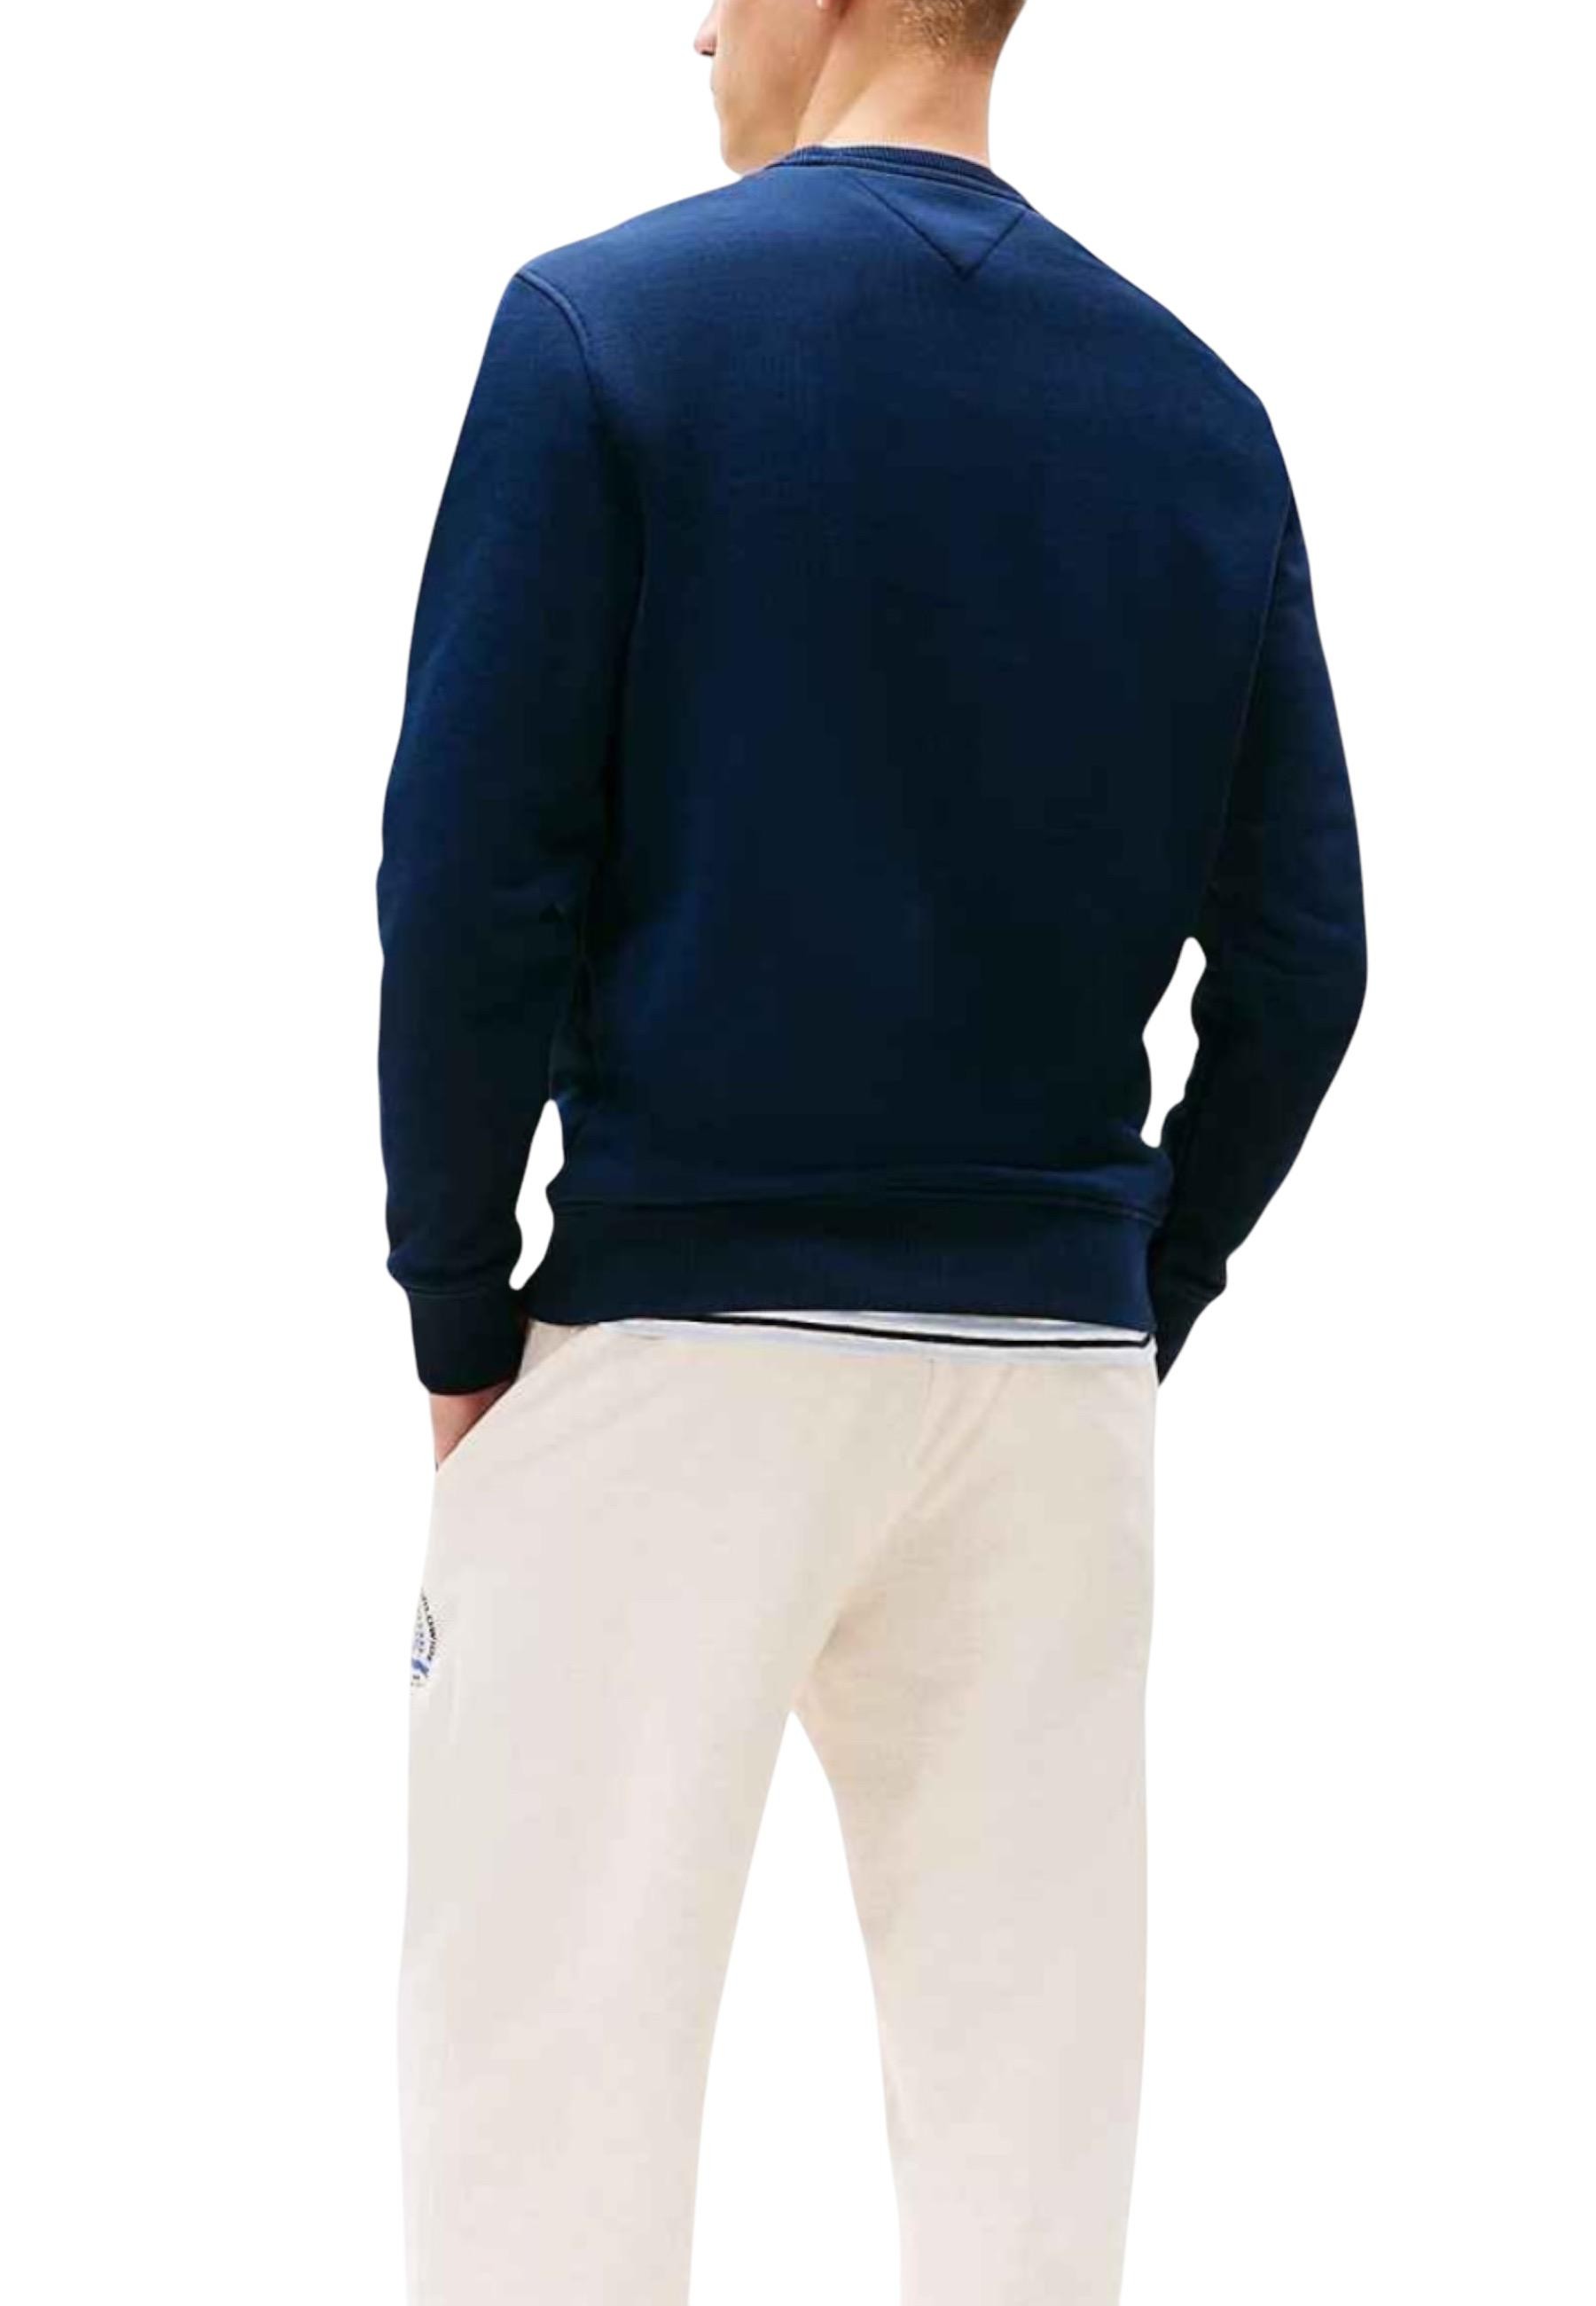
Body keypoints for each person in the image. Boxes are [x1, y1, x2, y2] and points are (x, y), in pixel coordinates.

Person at [374, 0, 1366, 2296]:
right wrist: (1138, 1292)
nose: (699, 30)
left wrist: (455, 1308)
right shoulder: (1200, 415)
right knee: (1028, 2160)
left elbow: (471, 883)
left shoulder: (605, 331)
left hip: (673, 1349)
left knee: (542, 2124)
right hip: (1045, 1399)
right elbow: (1307, 958)